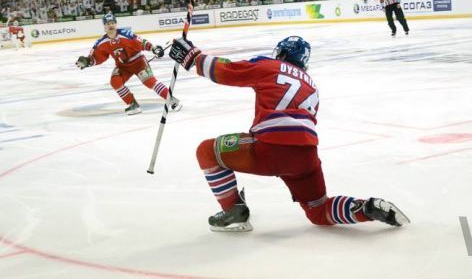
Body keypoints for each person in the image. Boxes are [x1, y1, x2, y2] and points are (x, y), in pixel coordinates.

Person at [167, 35, 410, 232]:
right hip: (306, 157)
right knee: (319, 211)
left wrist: (191, 56)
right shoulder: (311, 84)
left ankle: (234, 210)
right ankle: (365, 209)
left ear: (281, 54)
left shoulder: (269, 65)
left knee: (207, 152)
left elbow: (227, 71)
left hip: (267, 148)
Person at [75, 12, 181, 115]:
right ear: (104, 26)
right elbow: (97, 57)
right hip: (122, 67)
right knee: (115, 82)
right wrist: (87, 61)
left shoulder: (126, 34)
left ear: (116, 24)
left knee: (149, 82)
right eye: (107, 23)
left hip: (138, 62)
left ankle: (172, 100)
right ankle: (133, 104)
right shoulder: (101, 42)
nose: (110, 25)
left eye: (112, 23)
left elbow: (141, 42)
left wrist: (153, 48)